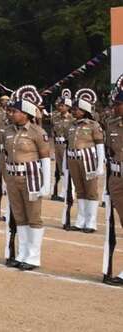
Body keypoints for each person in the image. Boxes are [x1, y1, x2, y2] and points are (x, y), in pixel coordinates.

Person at [2, 85, 52, 271]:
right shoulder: (7, 131)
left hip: (30, 178)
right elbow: (5, 156)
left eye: (15, 111)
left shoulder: (38, 132)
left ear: (26, 113)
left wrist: (46, 184)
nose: (12, 114)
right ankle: (23, 253)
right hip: (13, 177)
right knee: (19, 217)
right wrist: (6, 180)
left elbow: (45, 159)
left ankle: (34, 256)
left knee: (34, 217)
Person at [64, 89, 104, 233]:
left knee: (91, 191)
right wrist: (65, 165)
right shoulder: (72, 125)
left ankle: (91, 222)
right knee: (80, 191)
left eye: (76, 109)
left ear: (84, 110)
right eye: (73, 109)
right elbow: (67, 145)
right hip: (73, 159)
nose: (73, 111)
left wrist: (100, 165)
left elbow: (99, 145)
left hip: (88, 160)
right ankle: (80, 221)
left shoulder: (93, 125)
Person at [102, 75, 123, 286]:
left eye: (118, 104)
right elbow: (109, 152)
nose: (114, 108)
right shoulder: (112, 125)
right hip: (116, 179)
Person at [51, 89, 74, 201]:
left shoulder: (72, 119)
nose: (60, 107)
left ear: (68, 107)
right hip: (57, 145)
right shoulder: (55, 118)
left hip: (66, 145)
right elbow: (53, 131)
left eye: (62, 105)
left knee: (67, 169)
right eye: (59, 105)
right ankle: (63, 191)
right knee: (61, 169)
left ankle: (68, 192)